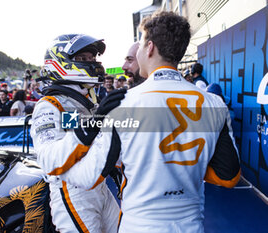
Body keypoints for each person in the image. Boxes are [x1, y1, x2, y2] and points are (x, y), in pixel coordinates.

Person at [55, 12, 241, 233]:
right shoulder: (214, 103)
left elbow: (89, 177)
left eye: (140, 47)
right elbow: (228, 177)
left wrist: (55, 167)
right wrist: (186, 168)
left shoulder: (123, 105)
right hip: (191, 226)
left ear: (150, 48)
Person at [30, 34, 122, 233]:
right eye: (82, 59)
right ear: (60, 63)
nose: (91, 63)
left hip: (99, 187)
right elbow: (49, 159)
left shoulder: (85, 101)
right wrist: (89, 128)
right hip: (71, 192)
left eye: (91, 58)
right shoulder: (50, 105)